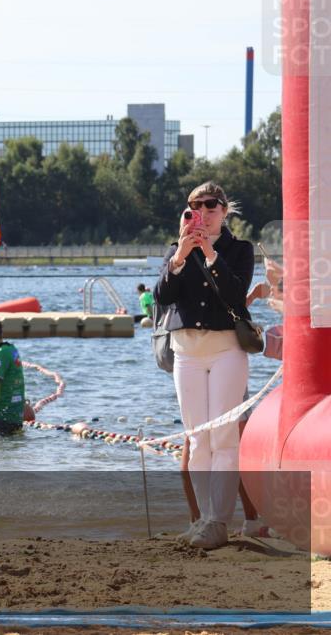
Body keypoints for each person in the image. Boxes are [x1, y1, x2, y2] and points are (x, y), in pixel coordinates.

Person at [155, 182, 253, 550]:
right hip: (186, 351)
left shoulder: (238, 250)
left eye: (211, 206)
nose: (204, 213)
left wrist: (210, 252)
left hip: (226, 347)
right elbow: (163, 298)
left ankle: (219, 522)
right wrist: (180, 256)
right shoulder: (176, 250)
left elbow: (235, 294)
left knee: (224, 437)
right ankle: (202, 520)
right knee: (197, 438)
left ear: (225, 211)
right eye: (196, 207)